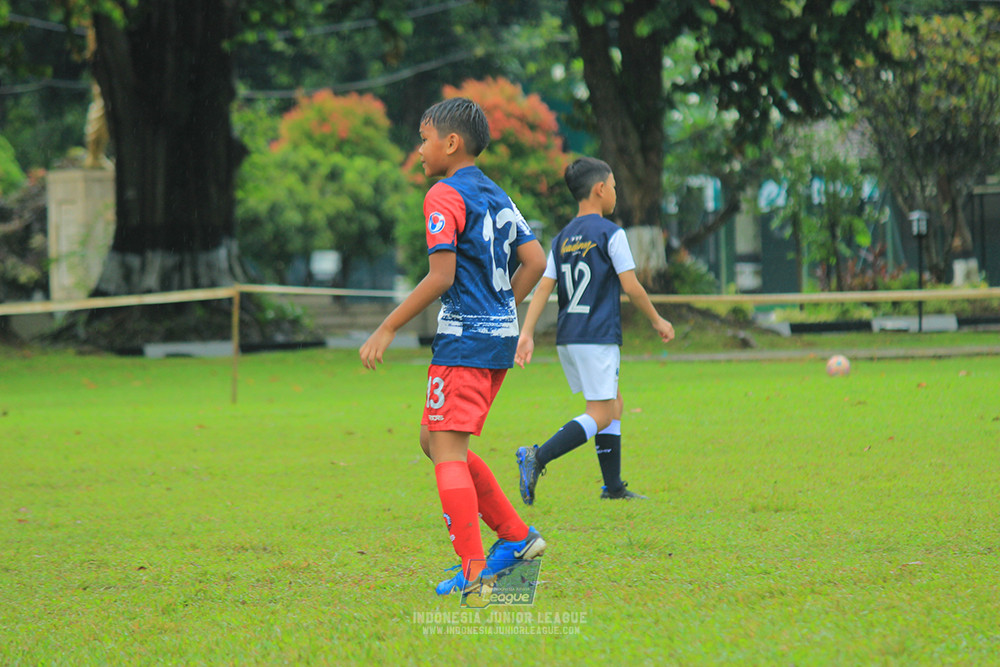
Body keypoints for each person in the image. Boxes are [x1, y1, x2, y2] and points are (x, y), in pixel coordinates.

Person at [359, 97, 548, 602]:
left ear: (450, 143)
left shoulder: (443, 194)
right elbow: (534, 259)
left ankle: (474, 569)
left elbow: (441, 276)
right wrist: (502, 306)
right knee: (435, 439)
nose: (418, 150)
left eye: (423, 139)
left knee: (445, 449)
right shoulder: (496, 193)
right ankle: (517, 536)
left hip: (464, 340)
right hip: (496, 339)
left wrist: (387, 327)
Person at [514, 157, 675, 504]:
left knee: (613, 403)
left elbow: (543, 288)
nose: (615, 192)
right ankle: (536, 457)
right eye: (614, 186)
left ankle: (613, 487)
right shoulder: (610, 234)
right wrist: (657, 320)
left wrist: (526, 333)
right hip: (597, 334)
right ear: (600, 189)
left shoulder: (562, 238)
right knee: (600, 412)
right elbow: (631, 287)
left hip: (569, 336)